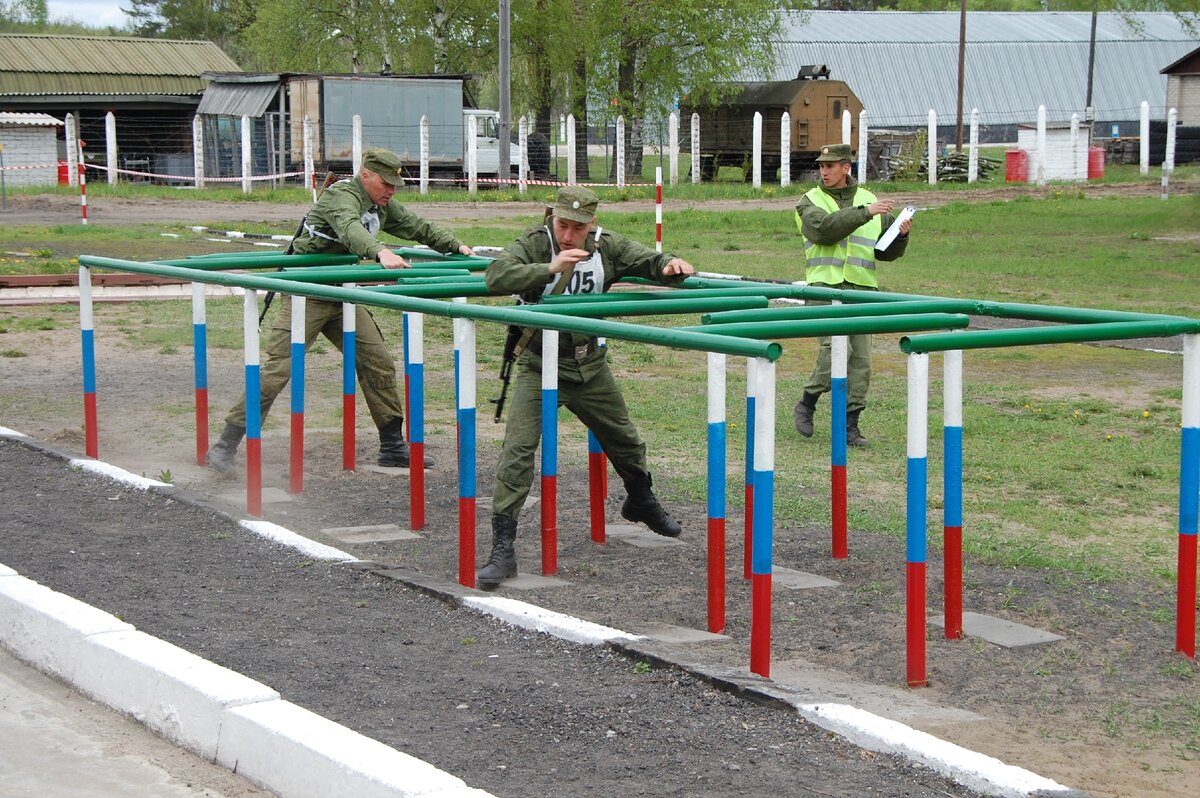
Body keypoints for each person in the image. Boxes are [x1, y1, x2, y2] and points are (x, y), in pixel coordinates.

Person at [477, 186, 695, 589]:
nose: (568, 235)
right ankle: (502, 549)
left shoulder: (606, 246)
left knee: (626, 439)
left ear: (591, 224)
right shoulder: (534, 243)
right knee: (517, 453)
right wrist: (548, 268)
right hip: (539, 363)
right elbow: (495, 275)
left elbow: (647, 260)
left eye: (577, 227)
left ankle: (640, 499)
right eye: (562, 224)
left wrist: (669, 264)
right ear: (552, 217)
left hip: (589, 365)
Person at [206, 147, 474, 473]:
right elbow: (350, 228)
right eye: (385, 183)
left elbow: (417, 226)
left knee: (378, 361)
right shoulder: (341, 196)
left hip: (342, 293)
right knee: (279, 371)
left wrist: (455, 245)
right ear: (365, 176)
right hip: (307, 291)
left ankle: (392, 445)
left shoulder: (381, 204)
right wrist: (380, 252)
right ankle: (225, 444)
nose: (391, 191)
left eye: (394, 185)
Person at [792, 142, 913, 447]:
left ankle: (850, 425)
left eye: (830, 166)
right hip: (824, 286)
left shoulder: (870, 200)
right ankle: (807, 402)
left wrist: (901, 235)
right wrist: (865, 213)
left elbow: (884, 253)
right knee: (835, 349)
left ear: (846, 168)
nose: (823, 171)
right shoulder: (808, 201)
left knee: (861, 359)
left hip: (862, 289)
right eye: (821, 166)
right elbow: (825, 230)